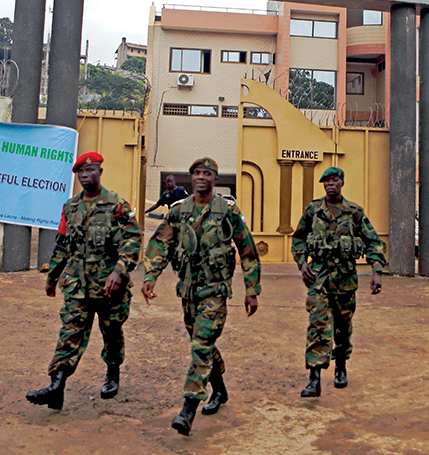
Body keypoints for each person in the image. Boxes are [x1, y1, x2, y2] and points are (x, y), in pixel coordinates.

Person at [142, 157, 261, 436]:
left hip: (215, 292)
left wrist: (252, 291)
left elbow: (248, 251)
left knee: (201, 346)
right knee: (202, 344)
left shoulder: (227, 210)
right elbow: (161, 243)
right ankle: (219, 389)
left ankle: (188, 409)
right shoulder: (179, 211)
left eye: (207, 173)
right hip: (188, 292)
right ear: (190, 178)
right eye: (197, 173)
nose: (201, 177)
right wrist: (150, 276)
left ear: (215, 179)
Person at [26, 152, 141, 411]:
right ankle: (56, 386)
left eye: (90, 171)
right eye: (81, 173)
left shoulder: (117, 205)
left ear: (100, 171)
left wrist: (119, 271)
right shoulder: (71, 207)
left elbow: (133, 240)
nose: (85, 176)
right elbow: (62, 245)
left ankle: (113, 374)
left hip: (110, 287)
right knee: (69, 333)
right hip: (78, 285)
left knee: (111, 333)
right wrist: (52, 277)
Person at [291, 166, 386, 398]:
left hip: (344, 279)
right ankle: (314, 379)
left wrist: (376, 271)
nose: (330, 184)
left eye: (335, 180)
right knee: (318, 325)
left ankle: (340, 366)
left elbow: (373, 241)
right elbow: (298, 239)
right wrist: (303, 264)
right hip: (319, 277)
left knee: (343, 329)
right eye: (327, 181)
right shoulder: (313, 211)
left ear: (342, 183)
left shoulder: (354, 212)